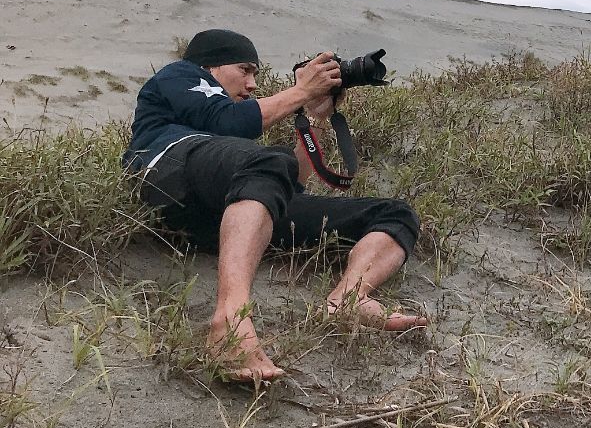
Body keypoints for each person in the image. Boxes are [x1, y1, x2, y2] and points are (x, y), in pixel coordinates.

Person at [126, 28, 425, 382]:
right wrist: (300, 91)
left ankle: (349, 298)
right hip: (165, 171)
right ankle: (231, 320)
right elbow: (229, 122)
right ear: (210, 66)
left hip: (218, 216)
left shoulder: (235, 149)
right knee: (267, 159)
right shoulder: (181, 74)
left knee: (395, 213)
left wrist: (315, 115)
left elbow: (289, 186)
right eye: (246, 69)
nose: (253, 84)